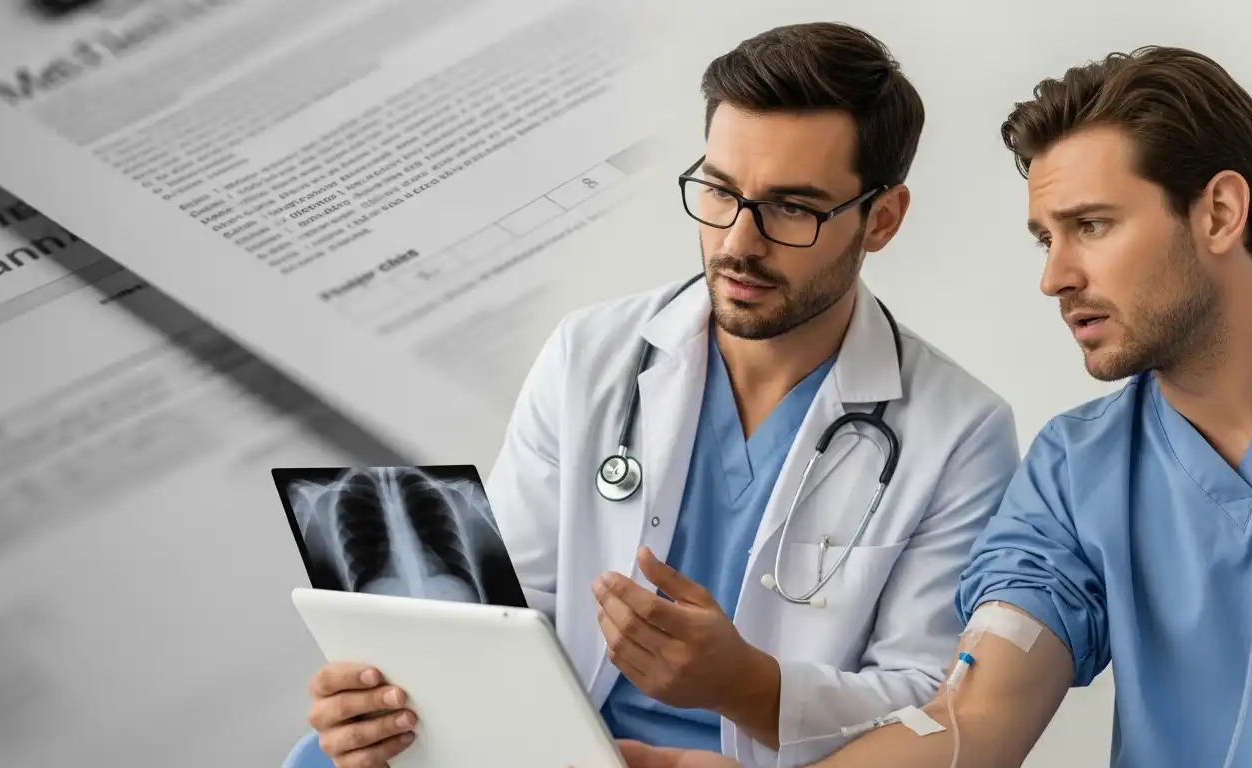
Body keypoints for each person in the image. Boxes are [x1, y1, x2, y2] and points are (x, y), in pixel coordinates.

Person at [618, 44, 1252, 768]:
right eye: (1045, 237)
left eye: (1092, 225)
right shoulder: (1074, 476)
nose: (1055, 277)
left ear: (1218, 213)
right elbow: (974, 722)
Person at [298, 20, 1022, 768]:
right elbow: (511, 610)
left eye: (792, 208)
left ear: (883, 219)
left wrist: (747, 686)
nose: (739, 242)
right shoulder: (592, 355)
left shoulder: (961, 432)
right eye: (719, 190)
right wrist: (383, 703)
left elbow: (932, 707)